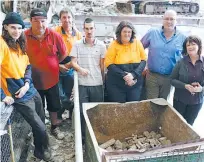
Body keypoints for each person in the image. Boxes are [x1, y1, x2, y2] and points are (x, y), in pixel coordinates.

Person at [0, 12, 52, 161]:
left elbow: (28, 66)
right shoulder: (2, 44)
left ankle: (40, 150)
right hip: (19, 95)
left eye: (19, 28)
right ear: (5, 27)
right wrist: (3, 96)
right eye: (13, 28)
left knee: (41, 122)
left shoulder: (18, 43)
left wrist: (27, 83)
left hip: (29, 89)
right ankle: (43, 152)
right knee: (40, 127)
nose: (16, 31)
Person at [25, 8, 67, 140]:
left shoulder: (54, 36)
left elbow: (64, 52)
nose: (40, 24)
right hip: (33, 81)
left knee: (54, 105)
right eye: (36, 21)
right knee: (38, 107)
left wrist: (55, 63)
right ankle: (39, 130)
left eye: (43, 21)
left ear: (46, 21)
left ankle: (54, 127)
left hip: (52, 79)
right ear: (31, 21)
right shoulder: (24, 36)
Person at [70, 18, 106, 137]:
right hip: (82, 84)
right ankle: (83, 137)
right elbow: (73, 62)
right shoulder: (77, 45)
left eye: (91, 28)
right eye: (87, 28)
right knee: (82, 112)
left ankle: (95, 135)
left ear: (95, 29)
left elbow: (102, 66)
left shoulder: (101, 45)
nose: (89, 31)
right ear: (83, 29)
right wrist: (80, 69)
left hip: (97, 84)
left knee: (96, 111)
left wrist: (103, 82)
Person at [141, 10, 186, 100]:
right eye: (166, 19)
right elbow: (139, 48)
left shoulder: (183, 37)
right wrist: (142, 66)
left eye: (172, 19)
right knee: (151, 103)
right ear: (162, 20)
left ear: (176, 21)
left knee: (163, 103)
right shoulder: (152, 33)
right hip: (152, 76)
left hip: (170, 78)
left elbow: (186, 58)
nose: (169, 22)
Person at [105, 21, 147, 102]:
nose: (127, 34)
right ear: (120, 32)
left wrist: (133, 74)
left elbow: (143, 60)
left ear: (132, 33)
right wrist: (125, 76)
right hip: (117, 84)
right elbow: (108, 63)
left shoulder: (137, 43)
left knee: (133, 106)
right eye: (124, 31)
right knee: (119, 108)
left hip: (135, 83)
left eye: (129, 32)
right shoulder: (113, 45)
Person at [54, 8, 82, 120]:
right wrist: (58, 66)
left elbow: (80, 53)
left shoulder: (78, 35)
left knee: (67, 92)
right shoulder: (55, 32)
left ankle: (62, 114)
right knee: (59, 94)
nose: (67, 20)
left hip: (70, 67)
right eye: (64, 17)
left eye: (69, 17)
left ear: (72, 19)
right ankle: (70, 107)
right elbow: (49, 52)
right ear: (60, 19)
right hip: (56, 67)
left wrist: (70, 65)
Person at [171, 35, 204, 125]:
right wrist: (185, 86)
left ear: (199, 46)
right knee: (177, 124)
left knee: (189, 125)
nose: (190, 47)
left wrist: (201, 89)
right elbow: (172, 80)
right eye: (188, 45)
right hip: (180, 100)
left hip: (196, 102)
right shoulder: (181, 62)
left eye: (193, 44)